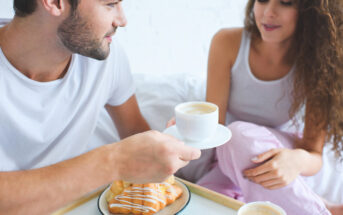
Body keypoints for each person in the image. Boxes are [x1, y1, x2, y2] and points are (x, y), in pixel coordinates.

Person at [0, 0, 201, 214]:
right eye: (110, 4)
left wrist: (167, 142)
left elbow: (134, 133)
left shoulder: (105, 58)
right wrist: (114, 161)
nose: (122, 20)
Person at [181, 0, 343, 214]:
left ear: (310, 13)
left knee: (238, 135)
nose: (268, 12)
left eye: (285, 3)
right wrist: (187, 130)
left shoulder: (318, 63)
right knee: (205, 200)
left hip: (278, 151)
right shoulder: (227, 43)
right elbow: (215, 130)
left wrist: (296, 160)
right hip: (228, 154)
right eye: (262, 0)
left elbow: (314, 155)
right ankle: (322, 206)